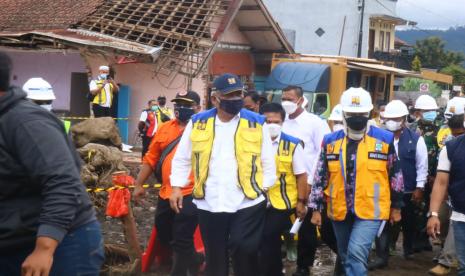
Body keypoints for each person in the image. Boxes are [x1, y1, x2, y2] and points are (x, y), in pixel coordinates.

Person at [0, 51, 103, 275]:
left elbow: (63, 183)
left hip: (61, 243)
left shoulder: (27, 123)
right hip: (12, 241)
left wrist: (44, 249)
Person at [170, 73, 276, 276]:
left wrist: (263, 188)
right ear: (215, 98)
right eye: (230, 95)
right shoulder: (198, 122)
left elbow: (268, 161)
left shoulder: (256, 123)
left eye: (239, 94)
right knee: (215, 257)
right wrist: (176, 187)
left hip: (247, 201)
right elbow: (182, 158)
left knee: (243, 247)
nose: (236, 99)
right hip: (210, 201)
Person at [309, 87, 404, 276]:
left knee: (356, 254)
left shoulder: (384, 139)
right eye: (352, 113)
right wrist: (316, 208)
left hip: (371, 209)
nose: (357, 117)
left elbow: (396, 176)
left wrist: (397, 207)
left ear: (369, 113)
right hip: (339, 208)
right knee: (344, 255)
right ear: (344, 113)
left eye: (361, 113)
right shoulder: (330, 141)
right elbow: (320, 175)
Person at [134, 91, 202, 276]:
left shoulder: (204, 129)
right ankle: (194, 259)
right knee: (162, 227)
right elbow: (151, 157)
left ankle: (181, 270)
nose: (181, 108)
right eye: (178, 104)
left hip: (191, 191)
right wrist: (139, 184)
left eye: (187, 105)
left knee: (182, 235)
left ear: (198, 108)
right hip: (166, 191)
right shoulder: (165, 127)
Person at [369, 100, 428, 270]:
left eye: (394, 118)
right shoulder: (378, 138)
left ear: (403, 119)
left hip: (408, 190)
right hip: (383, 190)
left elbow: (421, 165)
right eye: (388, 118)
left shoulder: (416, 139)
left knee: (408, 222)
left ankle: (408, 250)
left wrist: (419, 188)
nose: (390, 121)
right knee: (383, 224)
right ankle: (382, 255)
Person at [281, 85, 331, 276]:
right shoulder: (281, 122)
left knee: (307, 229)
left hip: (308, 184)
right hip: (283, 186)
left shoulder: (315, 123)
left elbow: (322, 153)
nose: (286, 102)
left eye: (290, 99)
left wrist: (312, 182)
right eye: (283, 98)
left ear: (301, 101)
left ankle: (303, 266)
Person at [258, 103, 308, 276]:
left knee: (268, 236)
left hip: (282, 202)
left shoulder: (292, 144)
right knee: (264, 241)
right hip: (256, 200)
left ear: (282, 122)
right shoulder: (253, 142)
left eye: (276, 121)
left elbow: (302, 175)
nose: (272, 124)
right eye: (267, 121)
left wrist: (302, 202)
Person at [427, 103, 465, 276]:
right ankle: (446, 259)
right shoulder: (450, 149)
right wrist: (433, 214)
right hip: (461, 217)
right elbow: (441, 182)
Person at [410, 94, 440, 252]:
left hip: (435, 178)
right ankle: (414, 240)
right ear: (417, 113)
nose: (431, 113)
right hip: (417, 178)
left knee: (430, 208)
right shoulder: (412, 131)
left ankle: (424, 239)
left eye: (432, 110)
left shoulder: (440, 130)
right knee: (416, 209)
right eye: (427, 110)